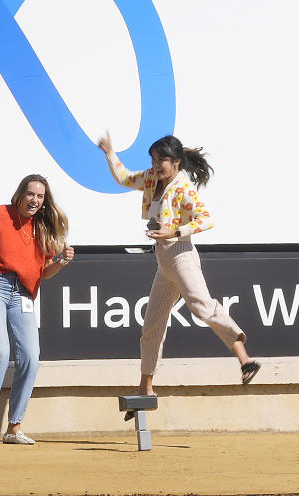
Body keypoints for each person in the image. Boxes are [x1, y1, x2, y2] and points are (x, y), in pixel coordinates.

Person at [96, 133, 260, 419]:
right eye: (154, 160)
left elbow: (206, 219)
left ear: (176, 162)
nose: (157, 165)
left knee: (201, 305)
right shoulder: (149, 179)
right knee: (152, 325)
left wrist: (174, 231)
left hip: (182, 255)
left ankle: (245, 359)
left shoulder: (183, 188)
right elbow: (123, 177)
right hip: (164, 260)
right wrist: (109, 151)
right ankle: (145, 389)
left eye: (163, 160)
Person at [0, 174, 75, 445]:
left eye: (40, 196)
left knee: (30, 356)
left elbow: (44, 273)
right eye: (30, 193)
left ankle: (14, 428)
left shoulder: (42, 228)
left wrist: (59, 262)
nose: (34, 200)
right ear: (20, 194)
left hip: (22, 293)